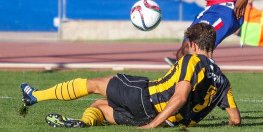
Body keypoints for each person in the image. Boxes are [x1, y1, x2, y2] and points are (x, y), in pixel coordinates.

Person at [20, 23, 241, 129]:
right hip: (166, 121)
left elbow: (180, 97)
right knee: (99, 106)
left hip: (147, 100)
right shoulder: (224, 81)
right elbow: (235, 120)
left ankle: (35, 96)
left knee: (95, 84)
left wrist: (153, 124)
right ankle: (84, 123)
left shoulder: (191, 60)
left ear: (193, 44)